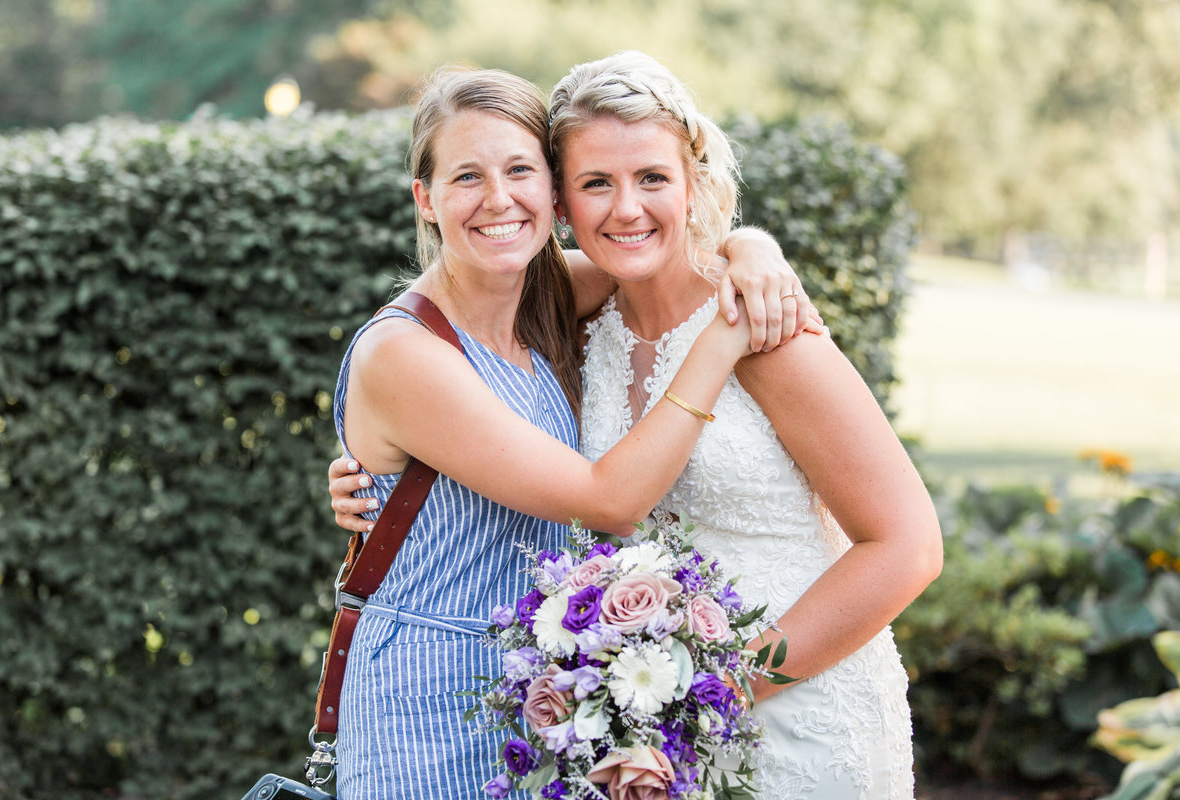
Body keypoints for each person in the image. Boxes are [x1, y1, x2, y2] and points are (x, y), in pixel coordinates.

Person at [334, 52, 942, 798]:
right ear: (567, 202)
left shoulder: (744, 321)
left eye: (652, 177)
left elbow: (909, 545)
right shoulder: (582, 318)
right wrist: (374, 471)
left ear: (694, 184)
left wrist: (754, 249)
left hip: (781, 704)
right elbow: (590, 487)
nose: (625, 208)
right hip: (614, 714)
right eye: (597, 183)